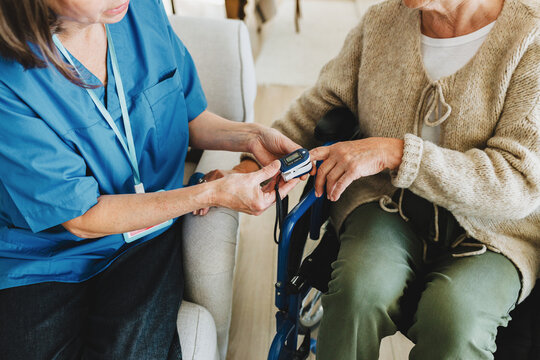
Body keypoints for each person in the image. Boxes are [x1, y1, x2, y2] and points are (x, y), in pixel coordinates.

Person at [0, 0, 304, 358]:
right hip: (45, 258)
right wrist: (209, 193)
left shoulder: (141, 11)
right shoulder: (9, 81)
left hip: (146, 230)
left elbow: (190, 116)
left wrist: (250, 136)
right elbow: (81, 217)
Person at [237, 0, 540, 358]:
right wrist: (250, 168)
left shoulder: (529, 39)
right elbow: (319, 105)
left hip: (493, 232)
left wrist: (397, 153)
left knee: (453, 323)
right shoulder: (382, 21)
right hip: (387, 204)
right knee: (357, 293)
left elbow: (518, 182)